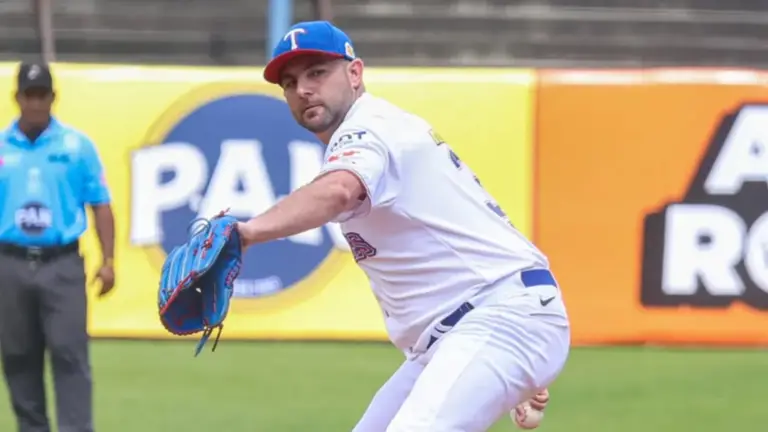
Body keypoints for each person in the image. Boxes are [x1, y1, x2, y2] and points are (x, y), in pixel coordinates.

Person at [237, 21, 571, 431]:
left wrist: (247, 233)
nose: (303, 89)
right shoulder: (377, 129)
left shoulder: (368, 128)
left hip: (498, 315)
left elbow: (338, 192)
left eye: (316, 73)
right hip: (463, 334)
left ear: (355, 73)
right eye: (289, 83)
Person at [0, 62, 115, 432]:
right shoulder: (1, 146)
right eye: (29, 95)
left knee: (69, 353)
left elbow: (100, 203)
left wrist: (108, 259)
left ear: (53, 97)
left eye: (42, 95)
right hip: (10, 261)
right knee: (17, 355)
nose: (36, 103)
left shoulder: (77, 147)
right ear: (17, 98)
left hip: (61, 262)